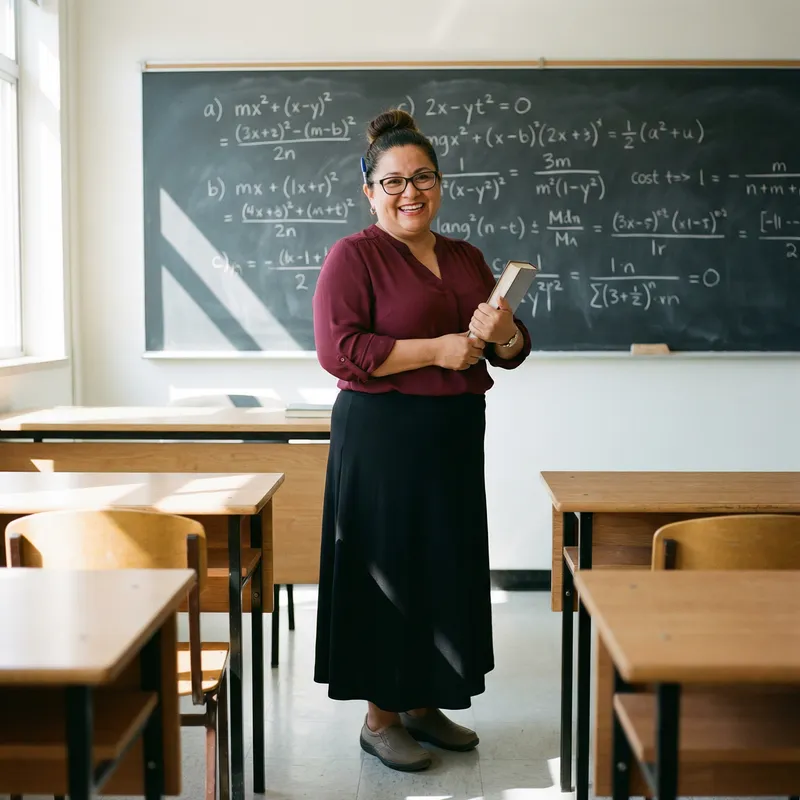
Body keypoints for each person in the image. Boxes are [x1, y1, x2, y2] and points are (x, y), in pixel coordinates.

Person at [311, 108, 531, 772]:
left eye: (424, 178)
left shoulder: (465, 256)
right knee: (388, 569)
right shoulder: (354, 256)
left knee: (442, 565)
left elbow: (511, 350)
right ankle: (379, 719)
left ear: (441, 183)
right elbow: (339, 350)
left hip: (453, 436)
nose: (412, 192)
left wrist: (504, 334)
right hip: (382, 438)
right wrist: (437, 348)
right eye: (395, 181)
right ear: (370, 191)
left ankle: (424, 701)